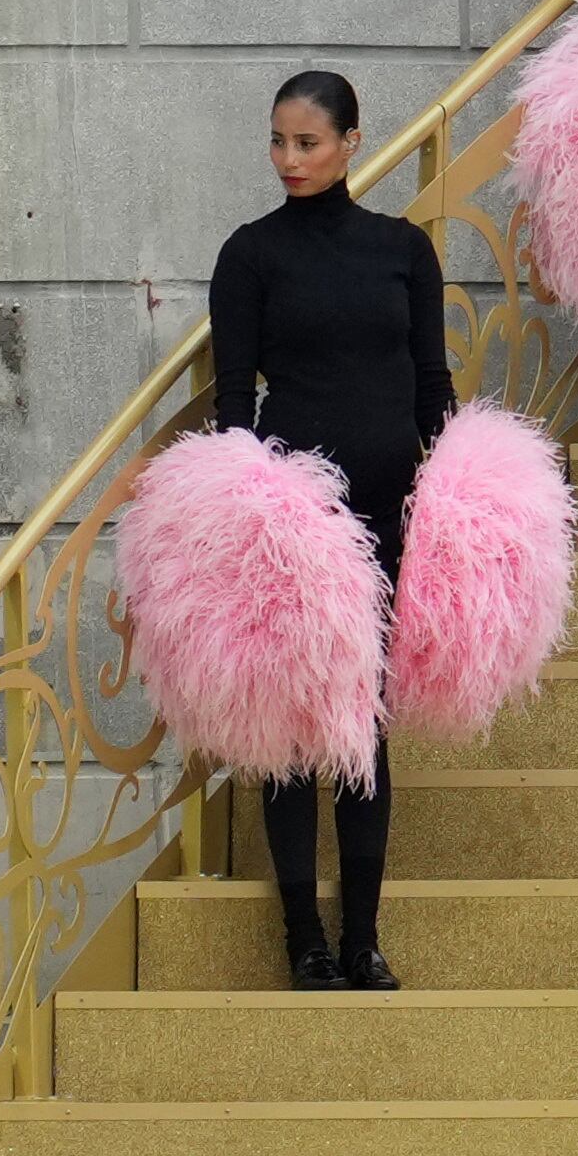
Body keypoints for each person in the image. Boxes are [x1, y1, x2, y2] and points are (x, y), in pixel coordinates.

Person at [206, 67, 452, 992]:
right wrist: (248, 511)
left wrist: (453, 503)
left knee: (363, 729)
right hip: (291, 527)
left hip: (388, 518)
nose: (289, 159)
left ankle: (363, 940)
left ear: (353, 140)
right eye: (277, 140)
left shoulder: (403, 251)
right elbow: (234, 402)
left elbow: (434, 388)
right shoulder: (251, 254)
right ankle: (302, 940)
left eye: (307, 142)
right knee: (293, 731)